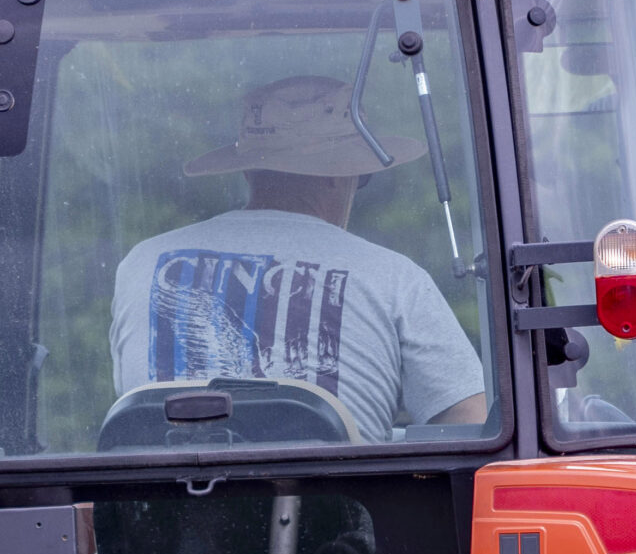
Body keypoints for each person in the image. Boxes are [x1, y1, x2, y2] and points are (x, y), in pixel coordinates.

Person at [109, 76, 488, 440]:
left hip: (168, 488)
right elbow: (471, 421)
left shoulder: (141, 264)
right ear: (341, 173)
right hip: (339, 489)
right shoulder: (395, 279)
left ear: (248, 171)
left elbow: (134, 413)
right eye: (362, 176)